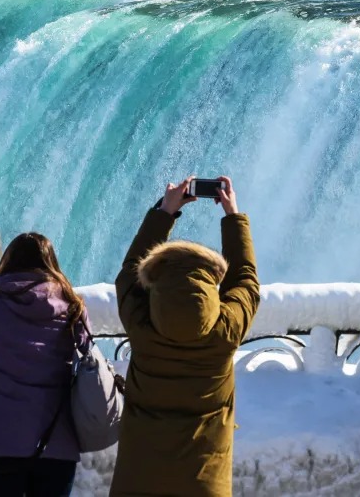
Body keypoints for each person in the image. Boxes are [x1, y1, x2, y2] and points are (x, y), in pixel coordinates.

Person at [110, 175, 260, 497]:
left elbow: (128, 274)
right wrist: (232, 216)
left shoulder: (142, 327)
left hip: (138, 483)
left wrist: (165, 211)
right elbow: (246, 281)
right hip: (204, 486)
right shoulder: (225, 331)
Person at [0, 232, 94, 497]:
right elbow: (88, 356)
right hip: (58, 443)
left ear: (8, 262)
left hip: (2, 443)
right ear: (52, 265)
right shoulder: (72, 304)